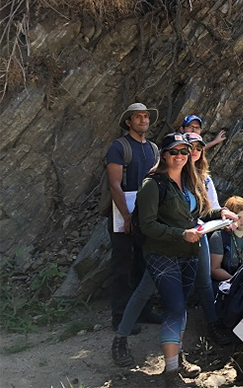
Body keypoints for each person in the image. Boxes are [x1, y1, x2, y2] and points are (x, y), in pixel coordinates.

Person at [137, 133, 237, 387]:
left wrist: (221, 212)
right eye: (174, 152)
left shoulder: (190, 179)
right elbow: (147, 225)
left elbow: (203, 211)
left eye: (184, 151)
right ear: (164, 155)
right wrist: (181, 234)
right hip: (162, 253)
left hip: (189, 253)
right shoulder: (152, 184)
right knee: (175, 307)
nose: (180, 156)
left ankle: (177, 360)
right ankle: (171, 370)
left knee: (179, 307)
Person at [106, 103, 160, 332]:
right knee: (122, 265)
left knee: (144, 262)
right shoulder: (119, 147)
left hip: (146, 216)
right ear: (128, 122)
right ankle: (119, 317)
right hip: (123, 214)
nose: (143, 120)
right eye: (137, 117)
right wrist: (126, 216)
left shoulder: (154, 149)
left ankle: (142, 311)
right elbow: (114, 184)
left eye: (145, 116)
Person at [185, 132, 232, 345]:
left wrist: (221, 214)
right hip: (176, 236)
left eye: (198, 148)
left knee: (203, 281)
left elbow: (208, 208)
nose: (194, 151)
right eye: (190, 147)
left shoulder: (203, 176)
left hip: (200, 231)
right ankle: (121, 334)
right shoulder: (176, 174)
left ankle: (213, 323)